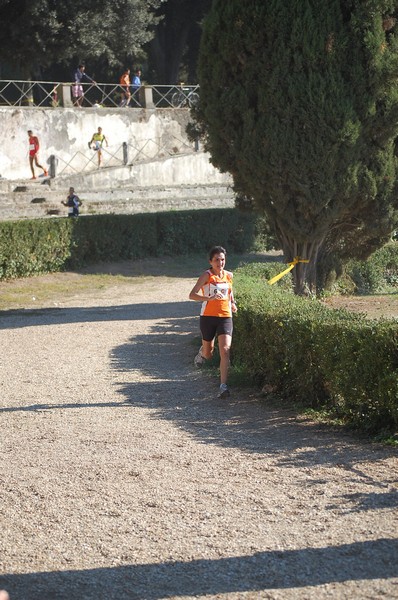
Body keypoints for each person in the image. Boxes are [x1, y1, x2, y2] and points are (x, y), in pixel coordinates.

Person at [189, 245, 237, 399]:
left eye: (222, 259)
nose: (220, 263)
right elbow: (192, 295)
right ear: (210, 261)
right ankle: (202, 353)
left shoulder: (229, 275)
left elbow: (230, 293)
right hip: (208, 317)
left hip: (225, 317)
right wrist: (208, 298)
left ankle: (223, 386)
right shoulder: (207, 276)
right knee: (209, 354)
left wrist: (233, 303)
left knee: (225, 350)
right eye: (216, 260)